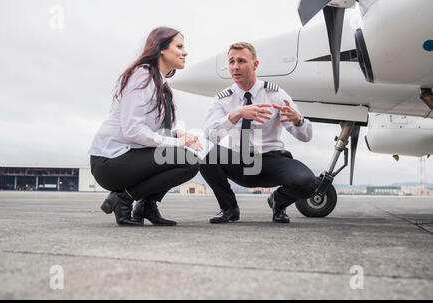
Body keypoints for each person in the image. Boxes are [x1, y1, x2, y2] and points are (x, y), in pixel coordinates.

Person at [89, 27, 201, 227]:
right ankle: (124, 199)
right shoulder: (142, 76)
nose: (185, 52)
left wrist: (178, 133)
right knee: (186, 160)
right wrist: (176, 142)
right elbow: (132, 129)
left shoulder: (159, 81)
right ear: (162, 49)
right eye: (179, 46)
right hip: (109, 161)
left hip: (128, 157)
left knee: (185, 156)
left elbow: (150, 129)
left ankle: (146, 206)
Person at [200, 42, 317, 224]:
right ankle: (228, 208)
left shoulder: (275, 94)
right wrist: (236, 114)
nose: (235, 67)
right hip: (239, 161)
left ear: (255, 65)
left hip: (271, 160)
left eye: (241, 61)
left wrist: (298, 120)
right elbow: (210, 136)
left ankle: (278, 201)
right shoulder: (223, 99)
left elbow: (306, 136)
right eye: (231, 62)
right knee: (201, 150)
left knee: (309, 183)